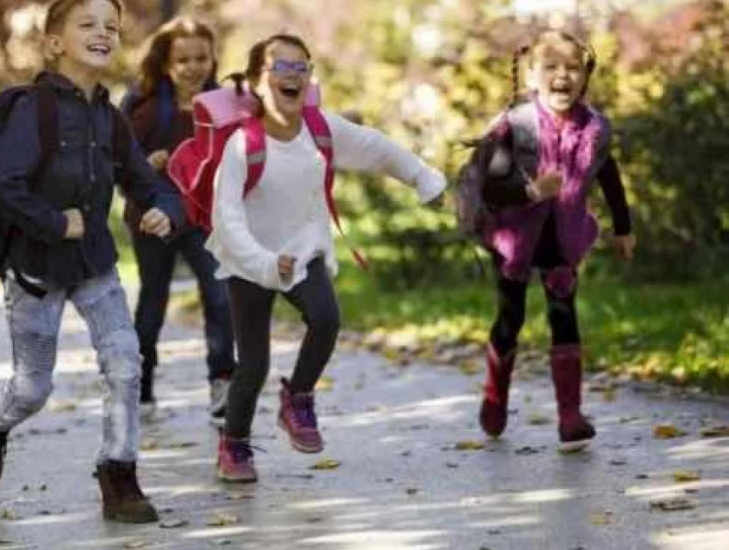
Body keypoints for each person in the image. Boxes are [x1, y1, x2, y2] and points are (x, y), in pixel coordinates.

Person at [0, 0, 183, 524]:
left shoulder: (111, 117)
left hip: (95, 266)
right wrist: (54, 221)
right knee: (33, 389)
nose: (103, 32)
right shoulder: (31, 110)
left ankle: (120, 475)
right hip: (34, 271)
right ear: (54, 42)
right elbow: (2, 182)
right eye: (88, 24)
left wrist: (164, 209)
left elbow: (142, 178)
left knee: (126, 362)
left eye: (111, 24)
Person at [207, 34, 447, 483]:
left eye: (302, 66)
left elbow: (377, 148)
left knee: (327, 318)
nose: (293, 75)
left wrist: (423, 178)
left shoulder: (321, 129)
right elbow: (227, 217)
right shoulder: (242, 145)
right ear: (258, 82)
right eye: (281, 66)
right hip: (248, 261)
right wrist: (262, 262)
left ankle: (298, 398)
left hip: (303, 251)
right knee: (252, 364)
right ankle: (234, 443)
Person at [476, 29, 634, 451]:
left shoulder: (593, 128)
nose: (563, 76)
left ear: (584, 76)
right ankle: (495, 393)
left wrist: (624, 227)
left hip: (563, 238)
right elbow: (491, 188)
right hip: (514, 237)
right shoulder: (519, 126)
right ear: (532, 77)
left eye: (573, 67)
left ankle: (570, 415)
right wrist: (529, 191)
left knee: (563, 313)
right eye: (551, 67)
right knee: (512, 319)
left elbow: (608, 174)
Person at [122, 16, 235, 421]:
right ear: (167, 62)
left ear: (213, 58)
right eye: (183, 59)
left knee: (220, 294)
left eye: (201, 57)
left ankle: (223, 380)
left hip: (204, 216)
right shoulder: (147, 106)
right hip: (153, 215)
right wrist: (147, 163)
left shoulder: (225, 103)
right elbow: (120, 158)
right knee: (153, 300)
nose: (193, 67)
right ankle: (143, 385)